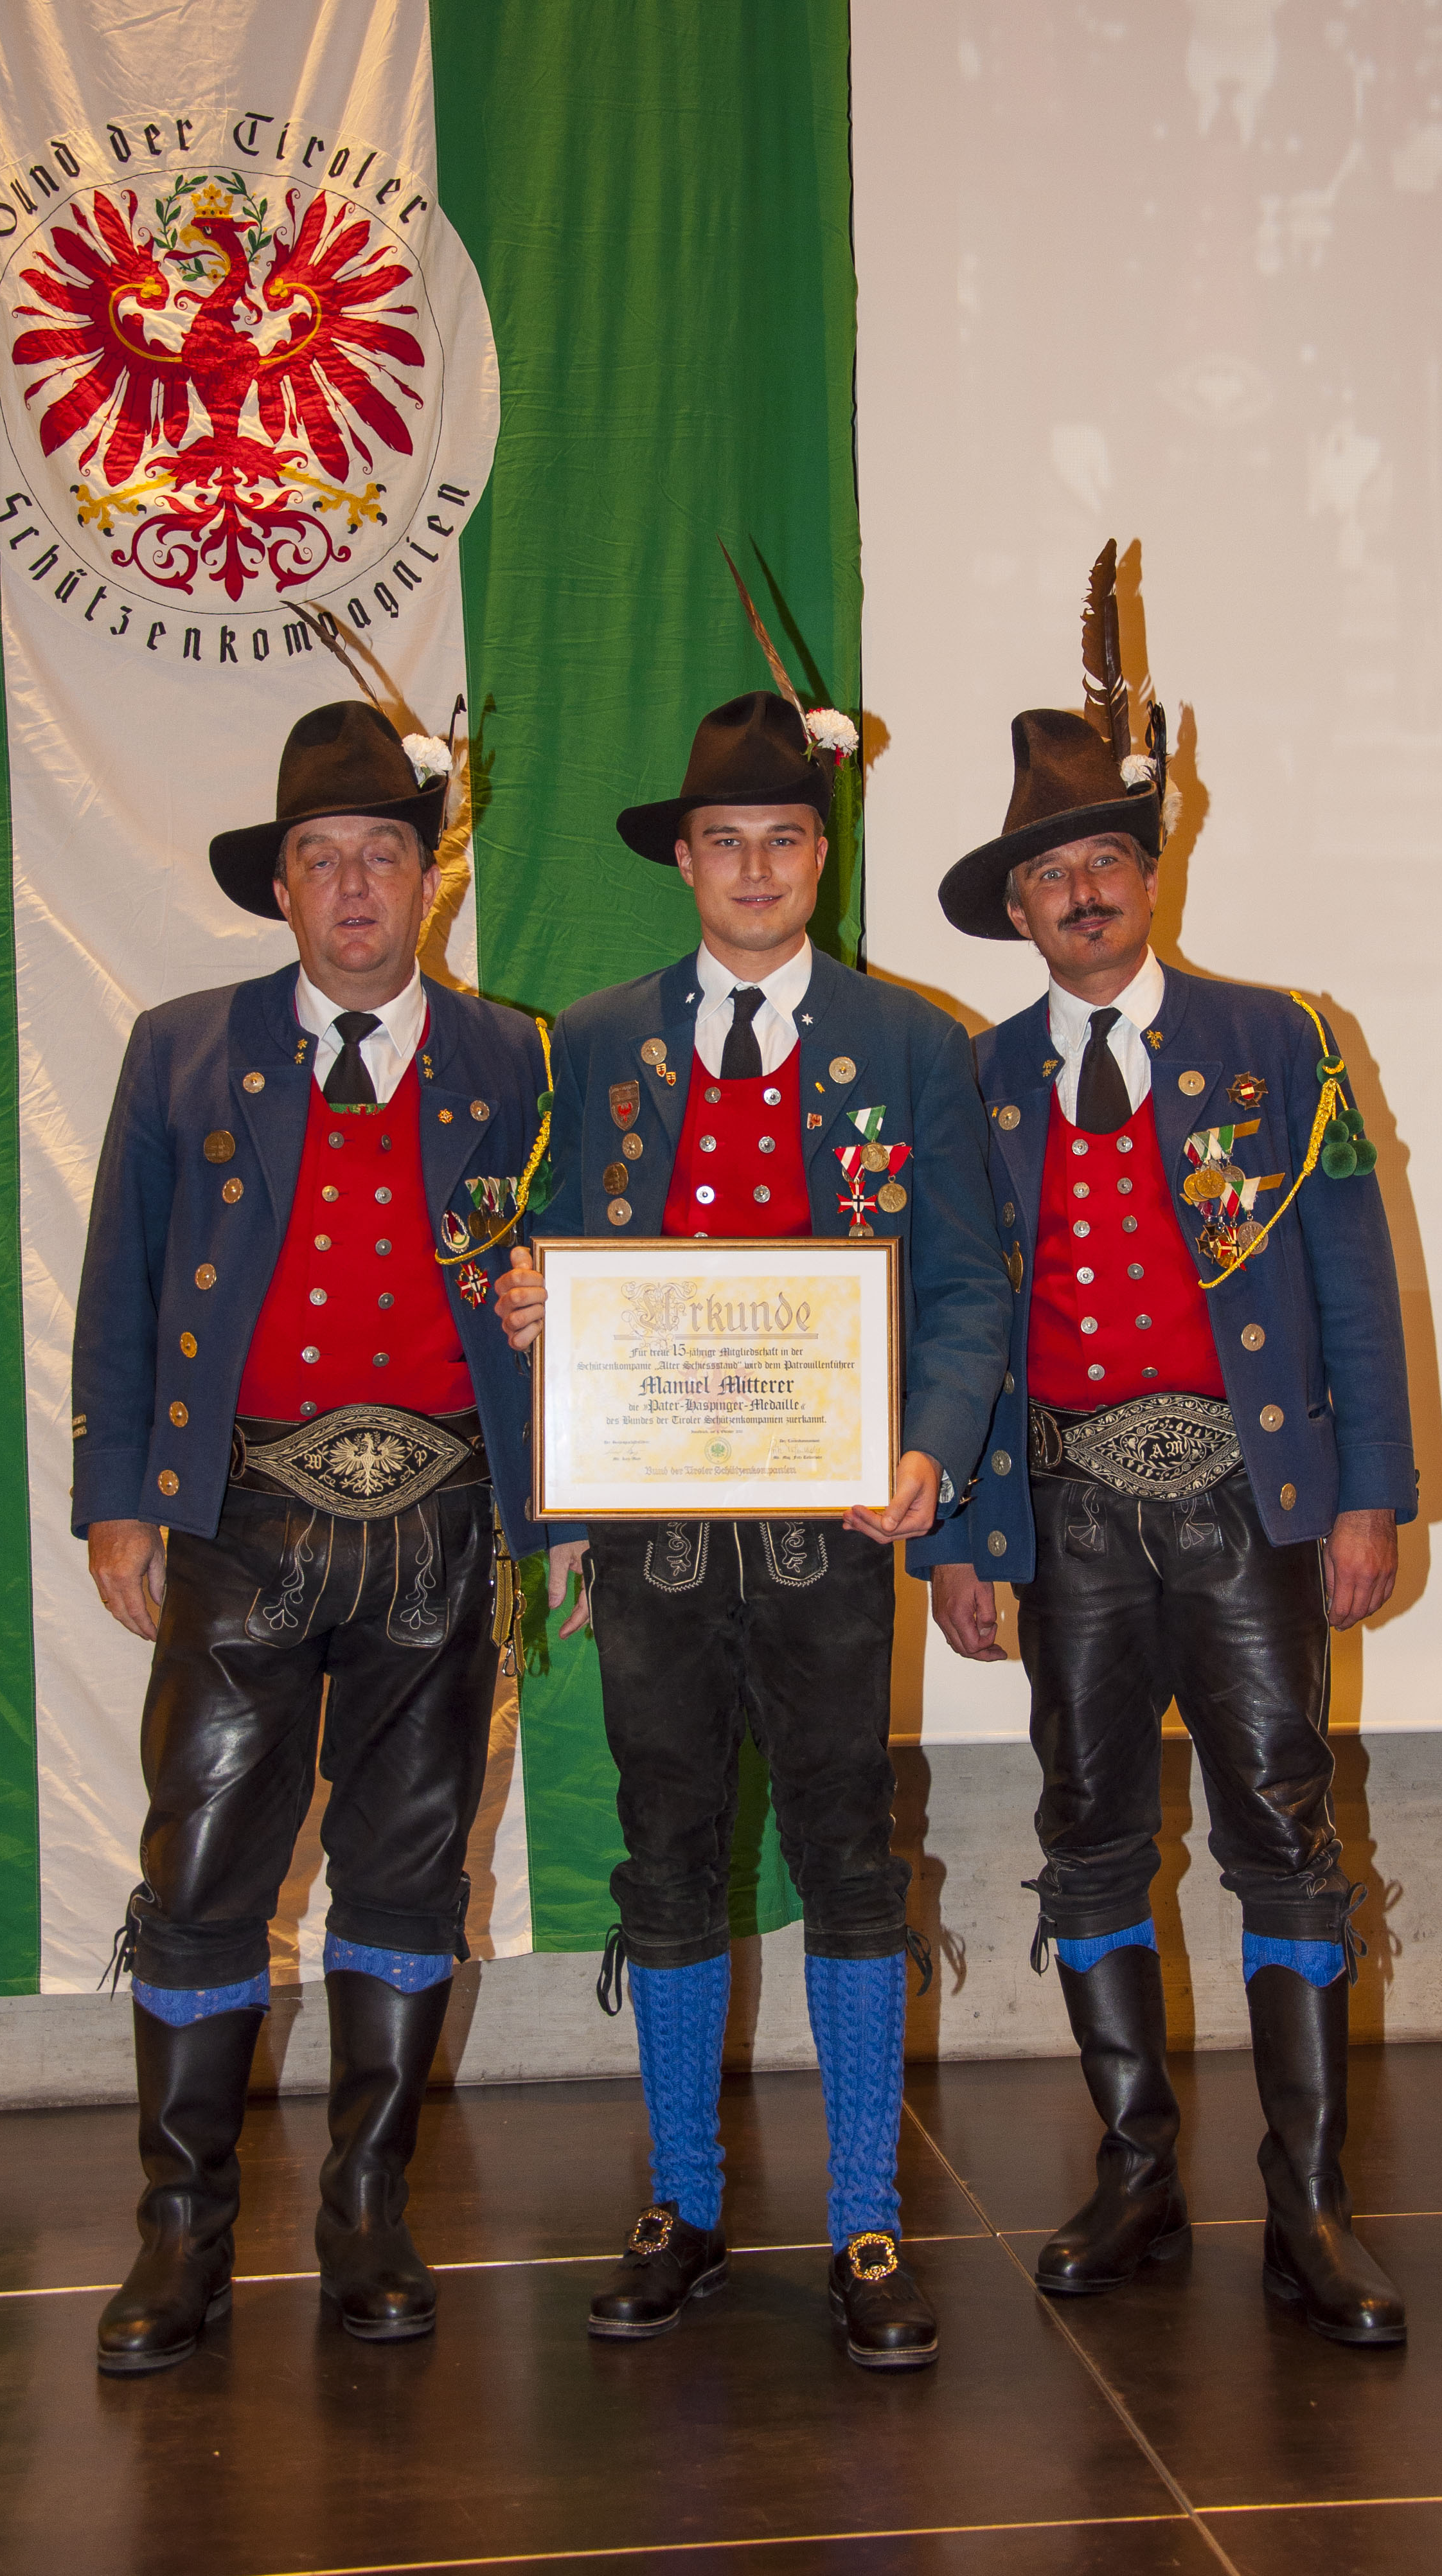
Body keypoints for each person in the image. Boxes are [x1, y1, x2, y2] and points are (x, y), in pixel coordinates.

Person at [918, 544, 1417, 2347]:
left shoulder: (1283, 1044)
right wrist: (968, 1530)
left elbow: (1350, 1278)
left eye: (1104, 863)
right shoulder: (978, 1085)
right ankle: (1136, 2172)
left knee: (1284, 1831)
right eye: (1050, 879)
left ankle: (1304, 2206)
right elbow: (959, 1317)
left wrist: (1368, 1493)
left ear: (1152, 872)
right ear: (1023, 914)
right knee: (1088, 1834)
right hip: (1063, 1507)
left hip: (1248, 1495)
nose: (1084, 897)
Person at [497, 650, 1011, 2372]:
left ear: (822, 852)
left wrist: (928, 1444)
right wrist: (537, 1315)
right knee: (666, 1855)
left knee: (850, 1852)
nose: (756, 869)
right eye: (725, 840)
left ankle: (866, 2209)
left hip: (833, 1532)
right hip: (648, 1532)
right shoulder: (594, 1046)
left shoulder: (911, 1047)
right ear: (683, 859)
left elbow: (958, 1290)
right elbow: (552, 1270)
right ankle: (688, 2201)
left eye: (786, 838)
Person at [75, 700, 549, 2375]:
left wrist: (553, 1487)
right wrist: (117, 1498)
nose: (355, 888)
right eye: (321, 861)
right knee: (203, 1876)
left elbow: (543, 1302)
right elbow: (124, 1288)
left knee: (411, 1869)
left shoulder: (513, 1061)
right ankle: (182, 2235)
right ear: (280, 887)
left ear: (431, 877)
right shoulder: (183, 1049)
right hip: (240, 1521)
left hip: (443, 1521)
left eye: (385, 857)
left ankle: (367, 2209)